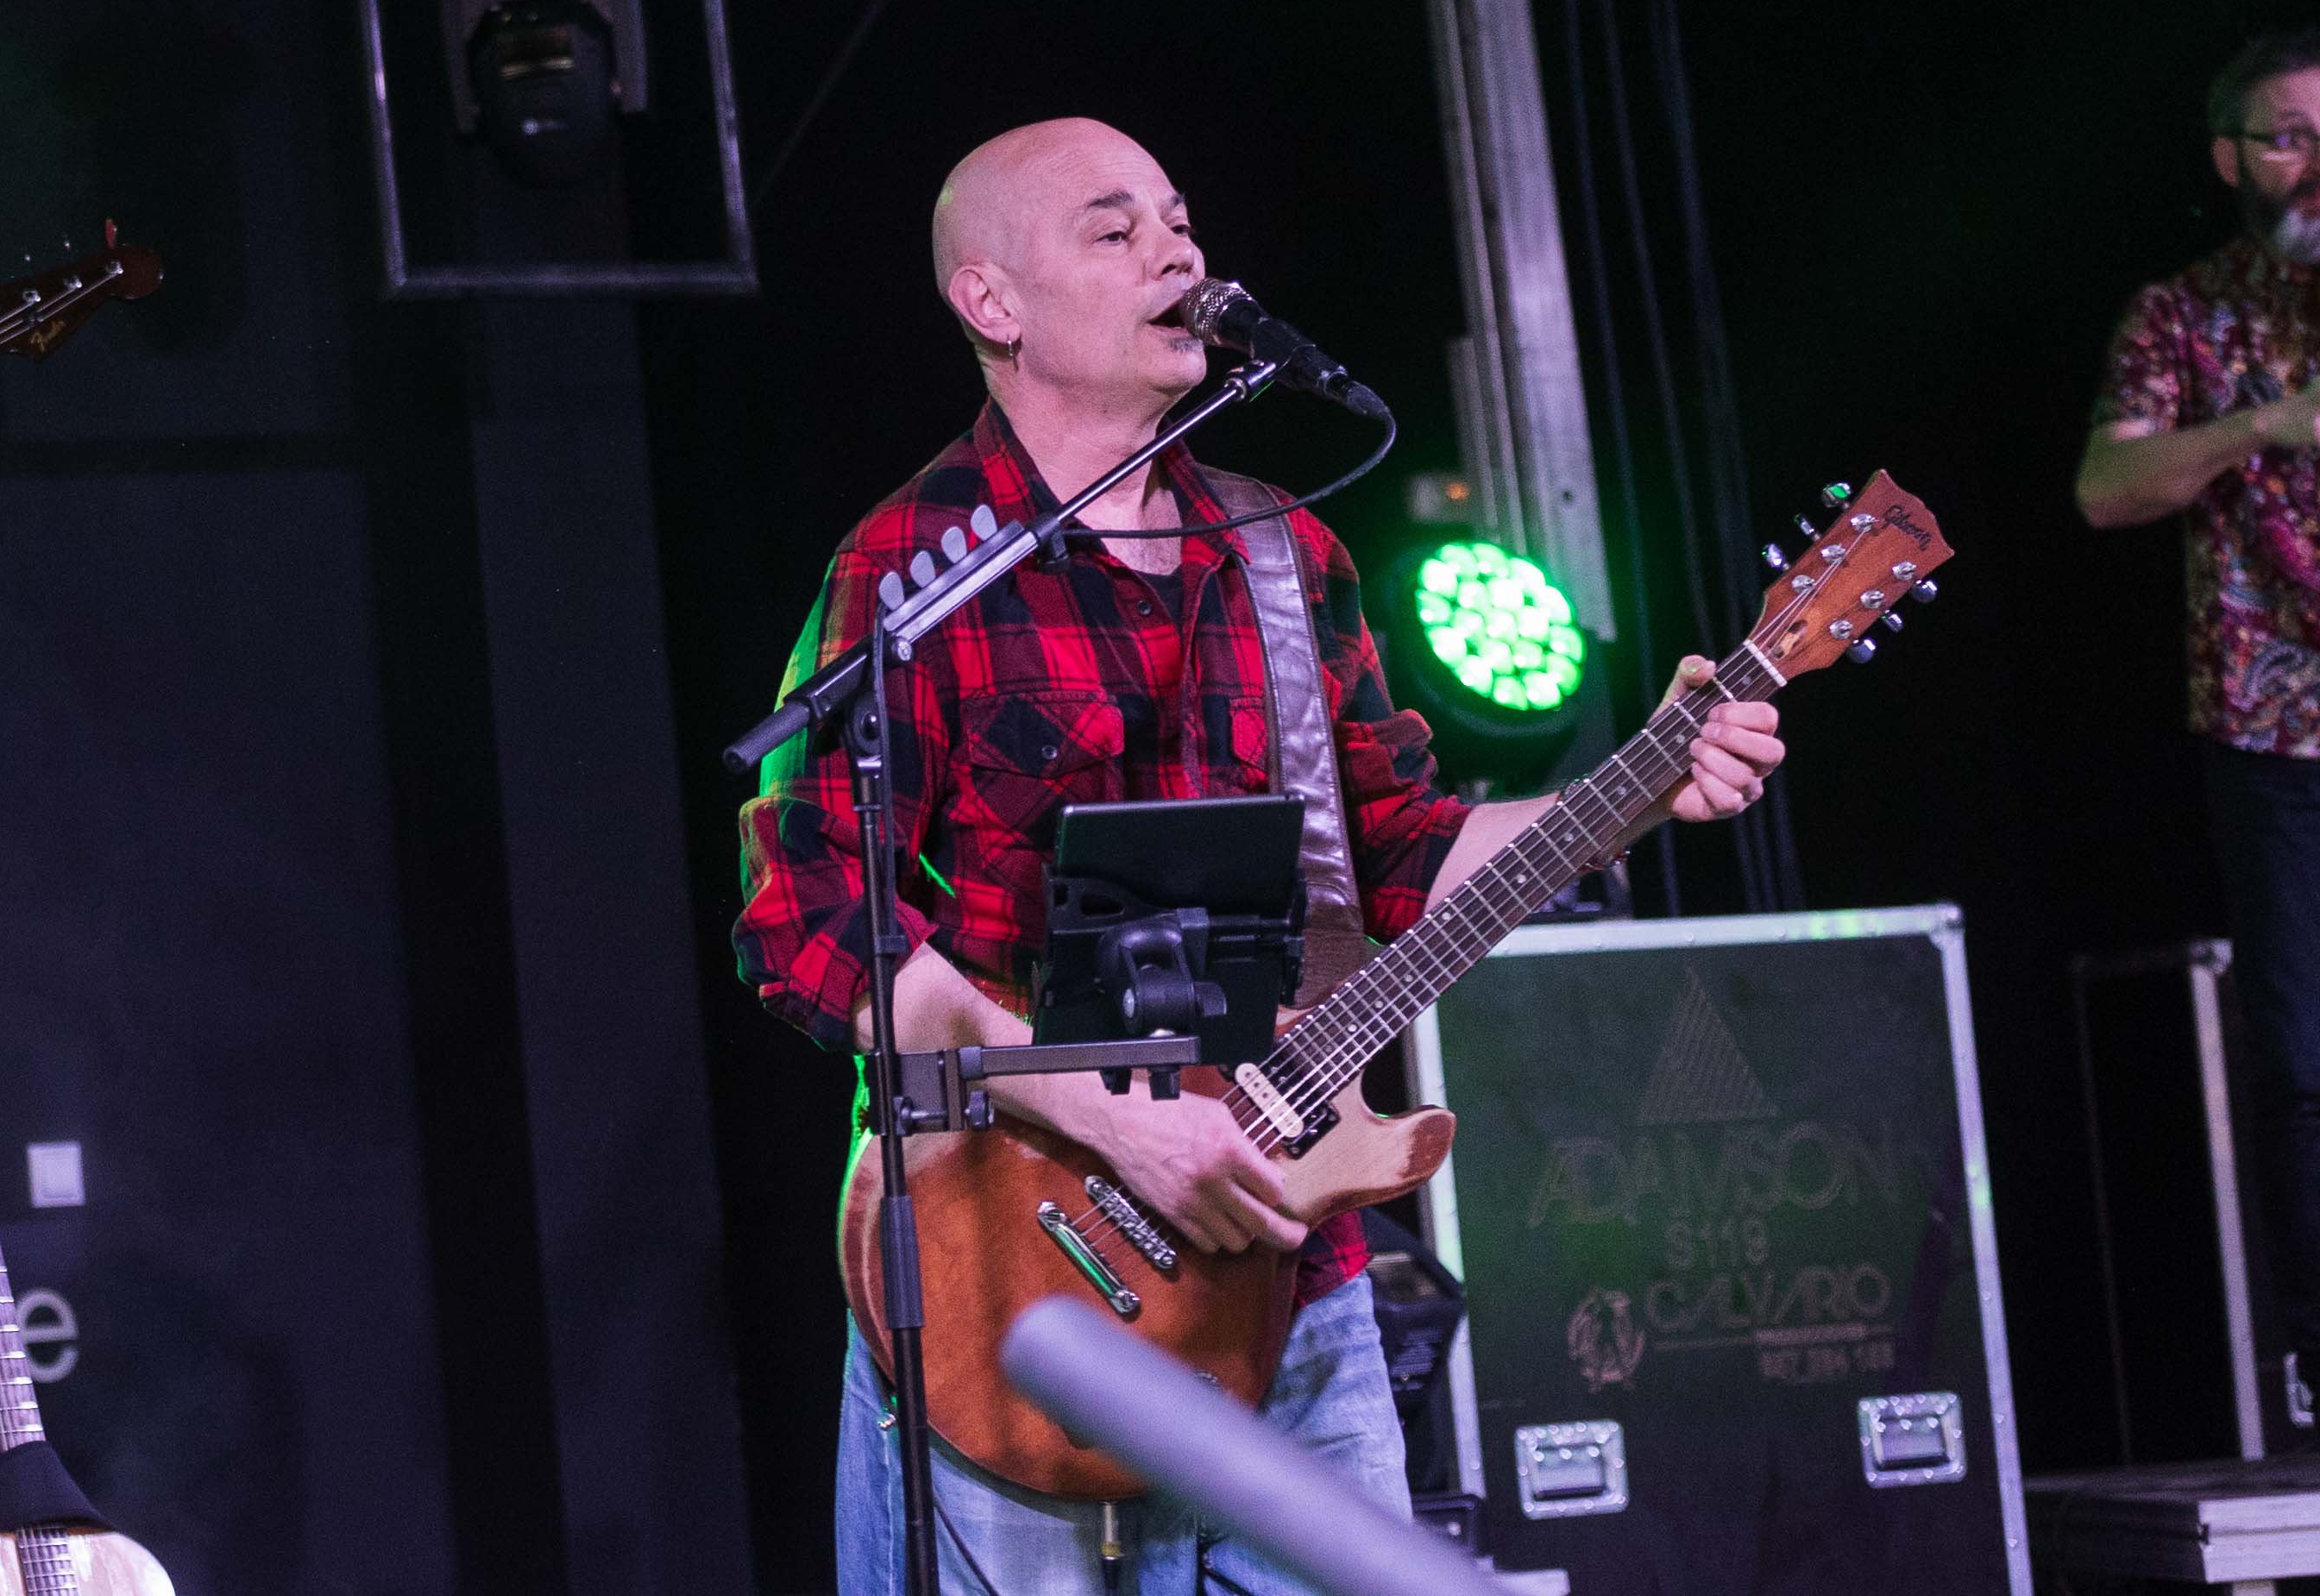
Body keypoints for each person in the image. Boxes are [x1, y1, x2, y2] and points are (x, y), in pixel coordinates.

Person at [736, 116, 1782, 1596]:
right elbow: (812, 922)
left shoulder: (1287, 556)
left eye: (1179, 218)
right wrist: (1114, 1123)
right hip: (1011, 1278)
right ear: (992, 302)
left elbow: (1403, 858)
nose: (1177, 251)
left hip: (1290, 1273)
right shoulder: (912, 569)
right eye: (1116, 231)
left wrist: (1644, 782)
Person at [2078, 24, 2320, 1442]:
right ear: (2232, 159)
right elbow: (2107, 486)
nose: (2315, 161)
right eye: (2287, 137)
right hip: (2275, 727)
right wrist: (2271, 423)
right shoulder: (2185, 314)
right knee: (2306, 1060)